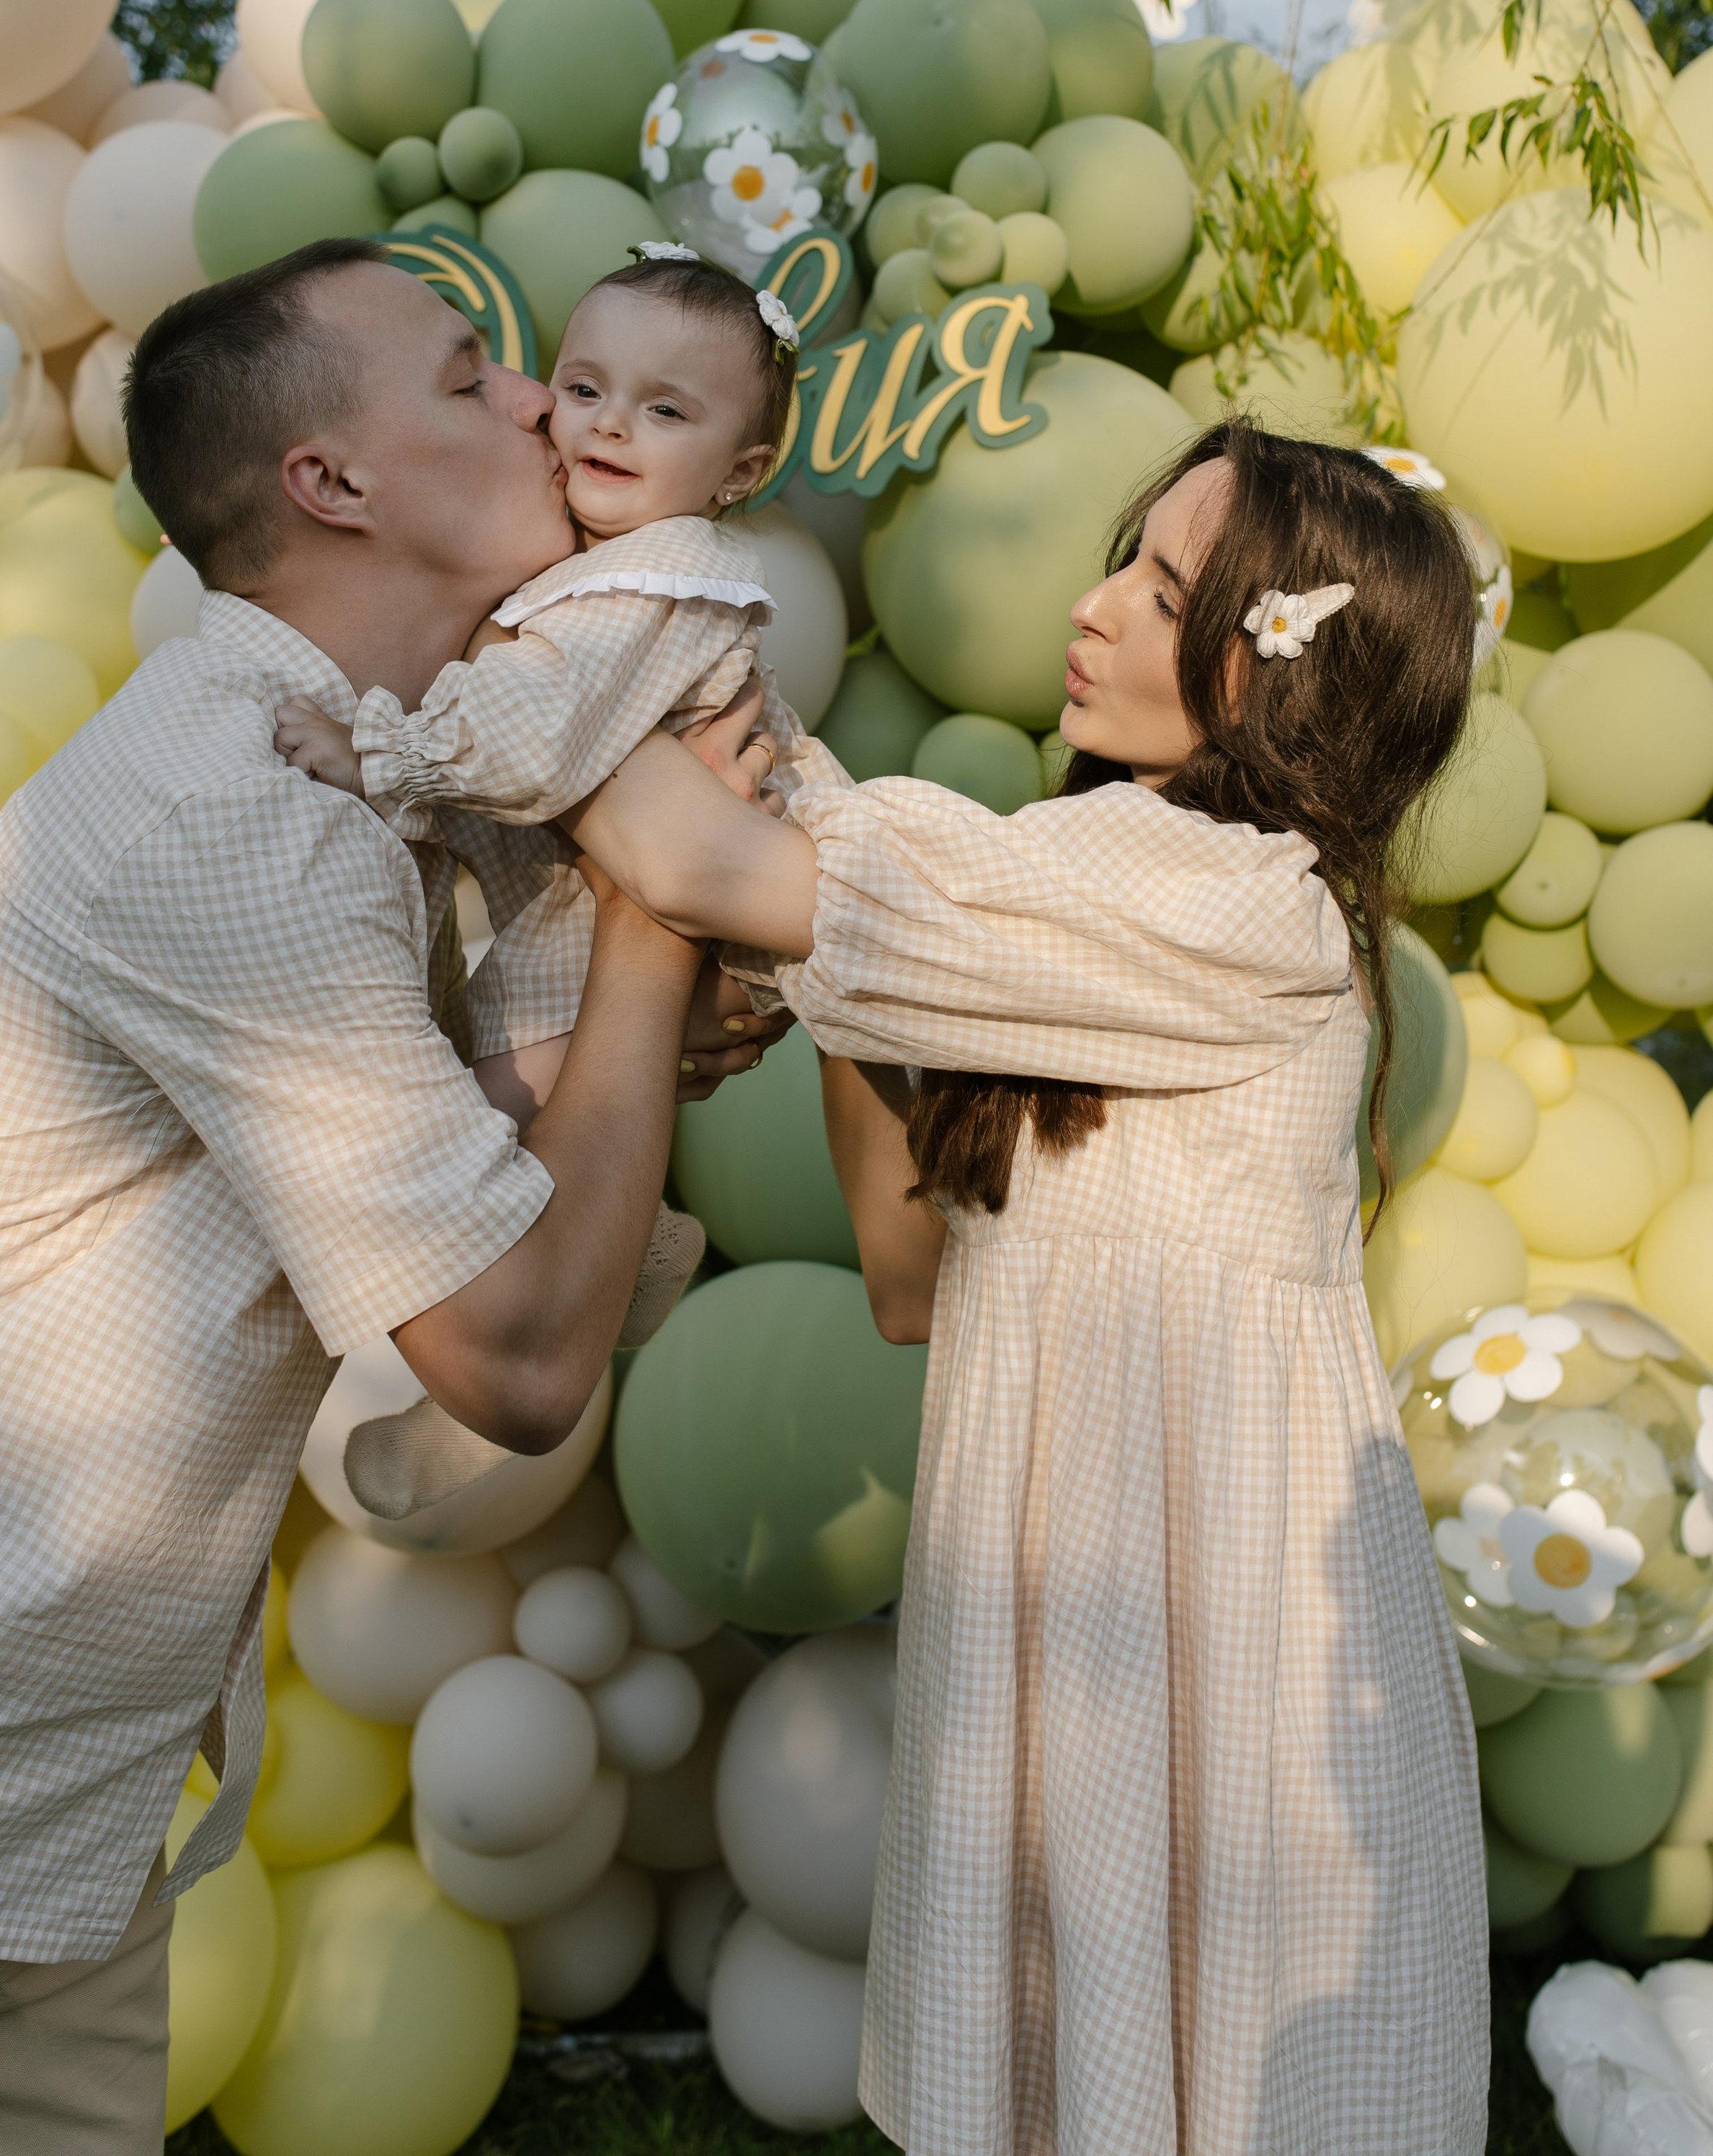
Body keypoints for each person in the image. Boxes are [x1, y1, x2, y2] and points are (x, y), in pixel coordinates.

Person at [0, 237, 777, 2155]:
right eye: (471, 377)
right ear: (332, 484)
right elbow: (521, 1354)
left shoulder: (359, 808)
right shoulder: (247, 820)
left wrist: (605, 1035)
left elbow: (513, 1202)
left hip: (55, 1797)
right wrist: (654, 926)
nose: (547, 401)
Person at [561, 421, 1492, 2156]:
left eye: (1157, 591)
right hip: (1075, 1611)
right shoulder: (1068, 913)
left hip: (1208, 1636)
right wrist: (863, 990)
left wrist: (528, 628)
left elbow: (686, 860)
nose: (1085, 611)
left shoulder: (1232, 901)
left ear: (1277, 673)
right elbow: (908, 1278)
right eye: (1122, 558)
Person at [271, 246, 834, 1148]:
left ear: (738, 472)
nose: (610, 426)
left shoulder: (659, 574)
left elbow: (538, 736)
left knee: (475, 1147)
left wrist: (375, 752)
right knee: (500, 1139)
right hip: (598, 904)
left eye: (664, 409)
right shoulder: (588, 559)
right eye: (583, 390)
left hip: (689, 910)